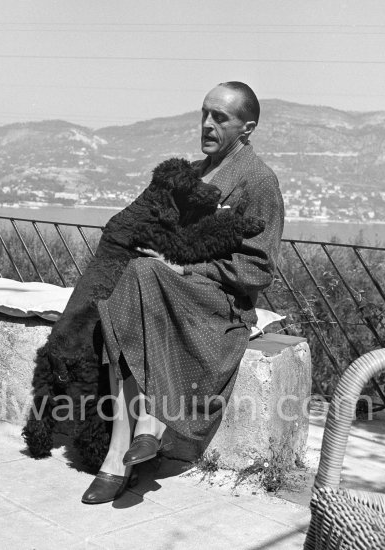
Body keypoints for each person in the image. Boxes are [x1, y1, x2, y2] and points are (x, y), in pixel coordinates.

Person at [81, 81, 284, 504]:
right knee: (133, 276)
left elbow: (258, 269)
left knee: (142, 277)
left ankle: (129, 448)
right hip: (162, 286)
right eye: (204, 113)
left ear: (247, 128)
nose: (207, 124)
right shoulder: (190, 172)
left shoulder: (259, 181)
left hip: (218, 302)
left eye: (220, 118)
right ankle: (137, 438)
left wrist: (185, 264)